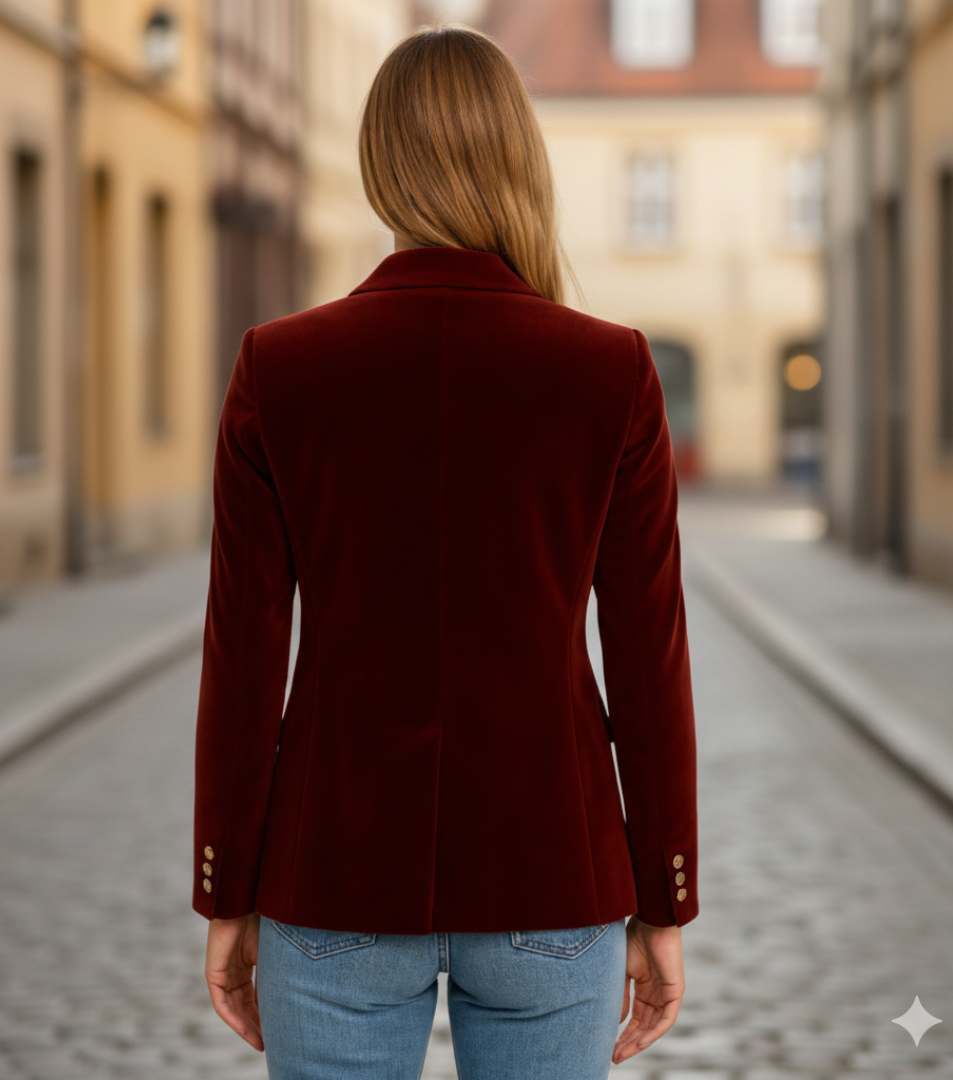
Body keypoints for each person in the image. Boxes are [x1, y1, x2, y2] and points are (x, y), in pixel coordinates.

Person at [192, 22, 699, 1079]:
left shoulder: (280, 368)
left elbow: (242, 662)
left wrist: (224, 887)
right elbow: (649, 663)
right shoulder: (609, 371)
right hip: (550, 871)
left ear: (379, 165)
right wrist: (666, 895)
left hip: (333, 873)